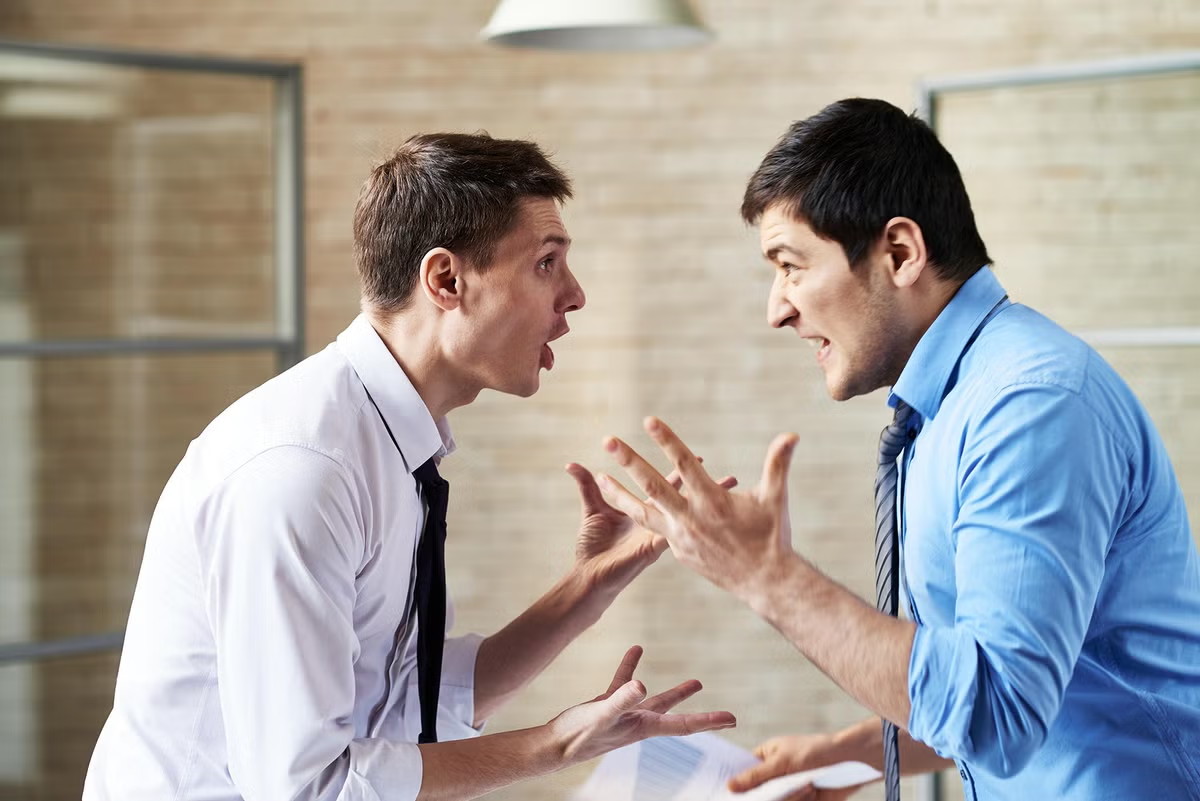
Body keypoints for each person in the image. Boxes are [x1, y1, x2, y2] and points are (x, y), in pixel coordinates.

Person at [83, 132, 735, 801]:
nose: (575, 295)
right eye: (546, 263)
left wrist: (590, 585)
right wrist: (557, 744)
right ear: (446, 280)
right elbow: (309, 786)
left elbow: (412, 699)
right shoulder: (303, 472)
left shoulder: (390, 445)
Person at [593, 98, 1200, 800]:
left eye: (791, 265)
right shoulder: (950, 408)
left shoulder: (1029, 405)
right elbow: (983, 675)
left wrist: (769, 576)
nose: (777, 307)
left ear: (901, 253)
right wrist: (842, 756)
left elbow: (998, 714)